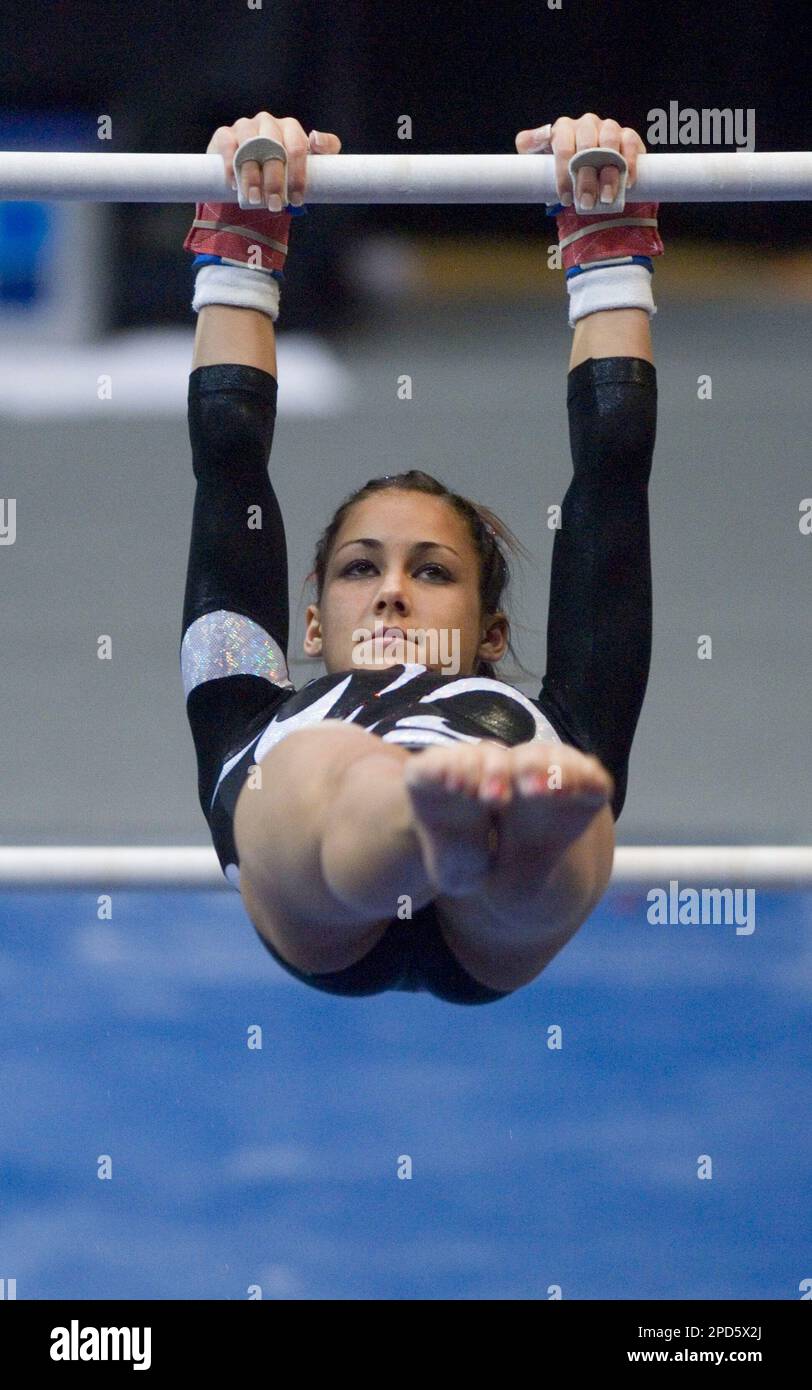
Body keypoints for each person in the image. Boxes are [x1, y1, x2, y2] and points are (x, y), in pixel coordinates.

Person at [180, 110, 659, 1005]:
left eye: (433, 572)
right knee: (325, 765)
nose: (393, 591)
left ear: (491, 631)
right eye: (362, 568)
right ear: (311, 621)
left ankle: (474, 832)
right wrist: (612, 248)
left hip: (507, 884)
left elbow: (612, 483)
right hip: (328, 875)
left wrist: (605, 255)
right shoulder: (257, 712)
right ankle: (428, 821)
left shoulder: (544, 715)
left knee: (553, 795)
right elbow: (227, 466)